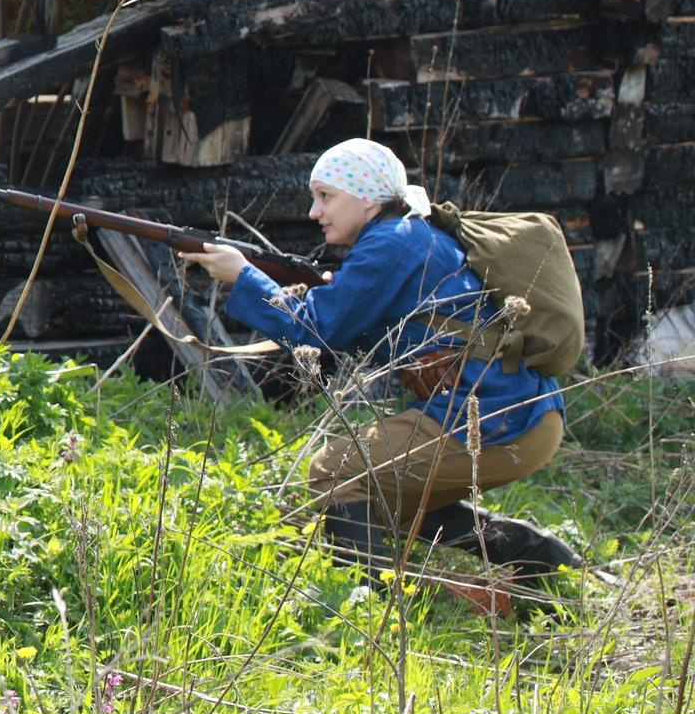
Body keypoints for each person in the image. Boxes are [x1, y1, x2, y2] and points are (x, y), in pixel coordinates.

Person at [181, 138, 579, 605]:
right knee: (385, 501)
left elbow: (313, 330)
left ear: (367, 198)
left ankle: (369, 609)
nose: (314, 212)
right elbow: (346, 332)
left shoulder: (391, 243)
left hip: (499, 423)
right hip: (522, 420)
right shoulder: (406, 236)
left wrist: (244, 275)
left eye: (326, 196)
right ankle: (544, 562)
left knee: (335, 470)